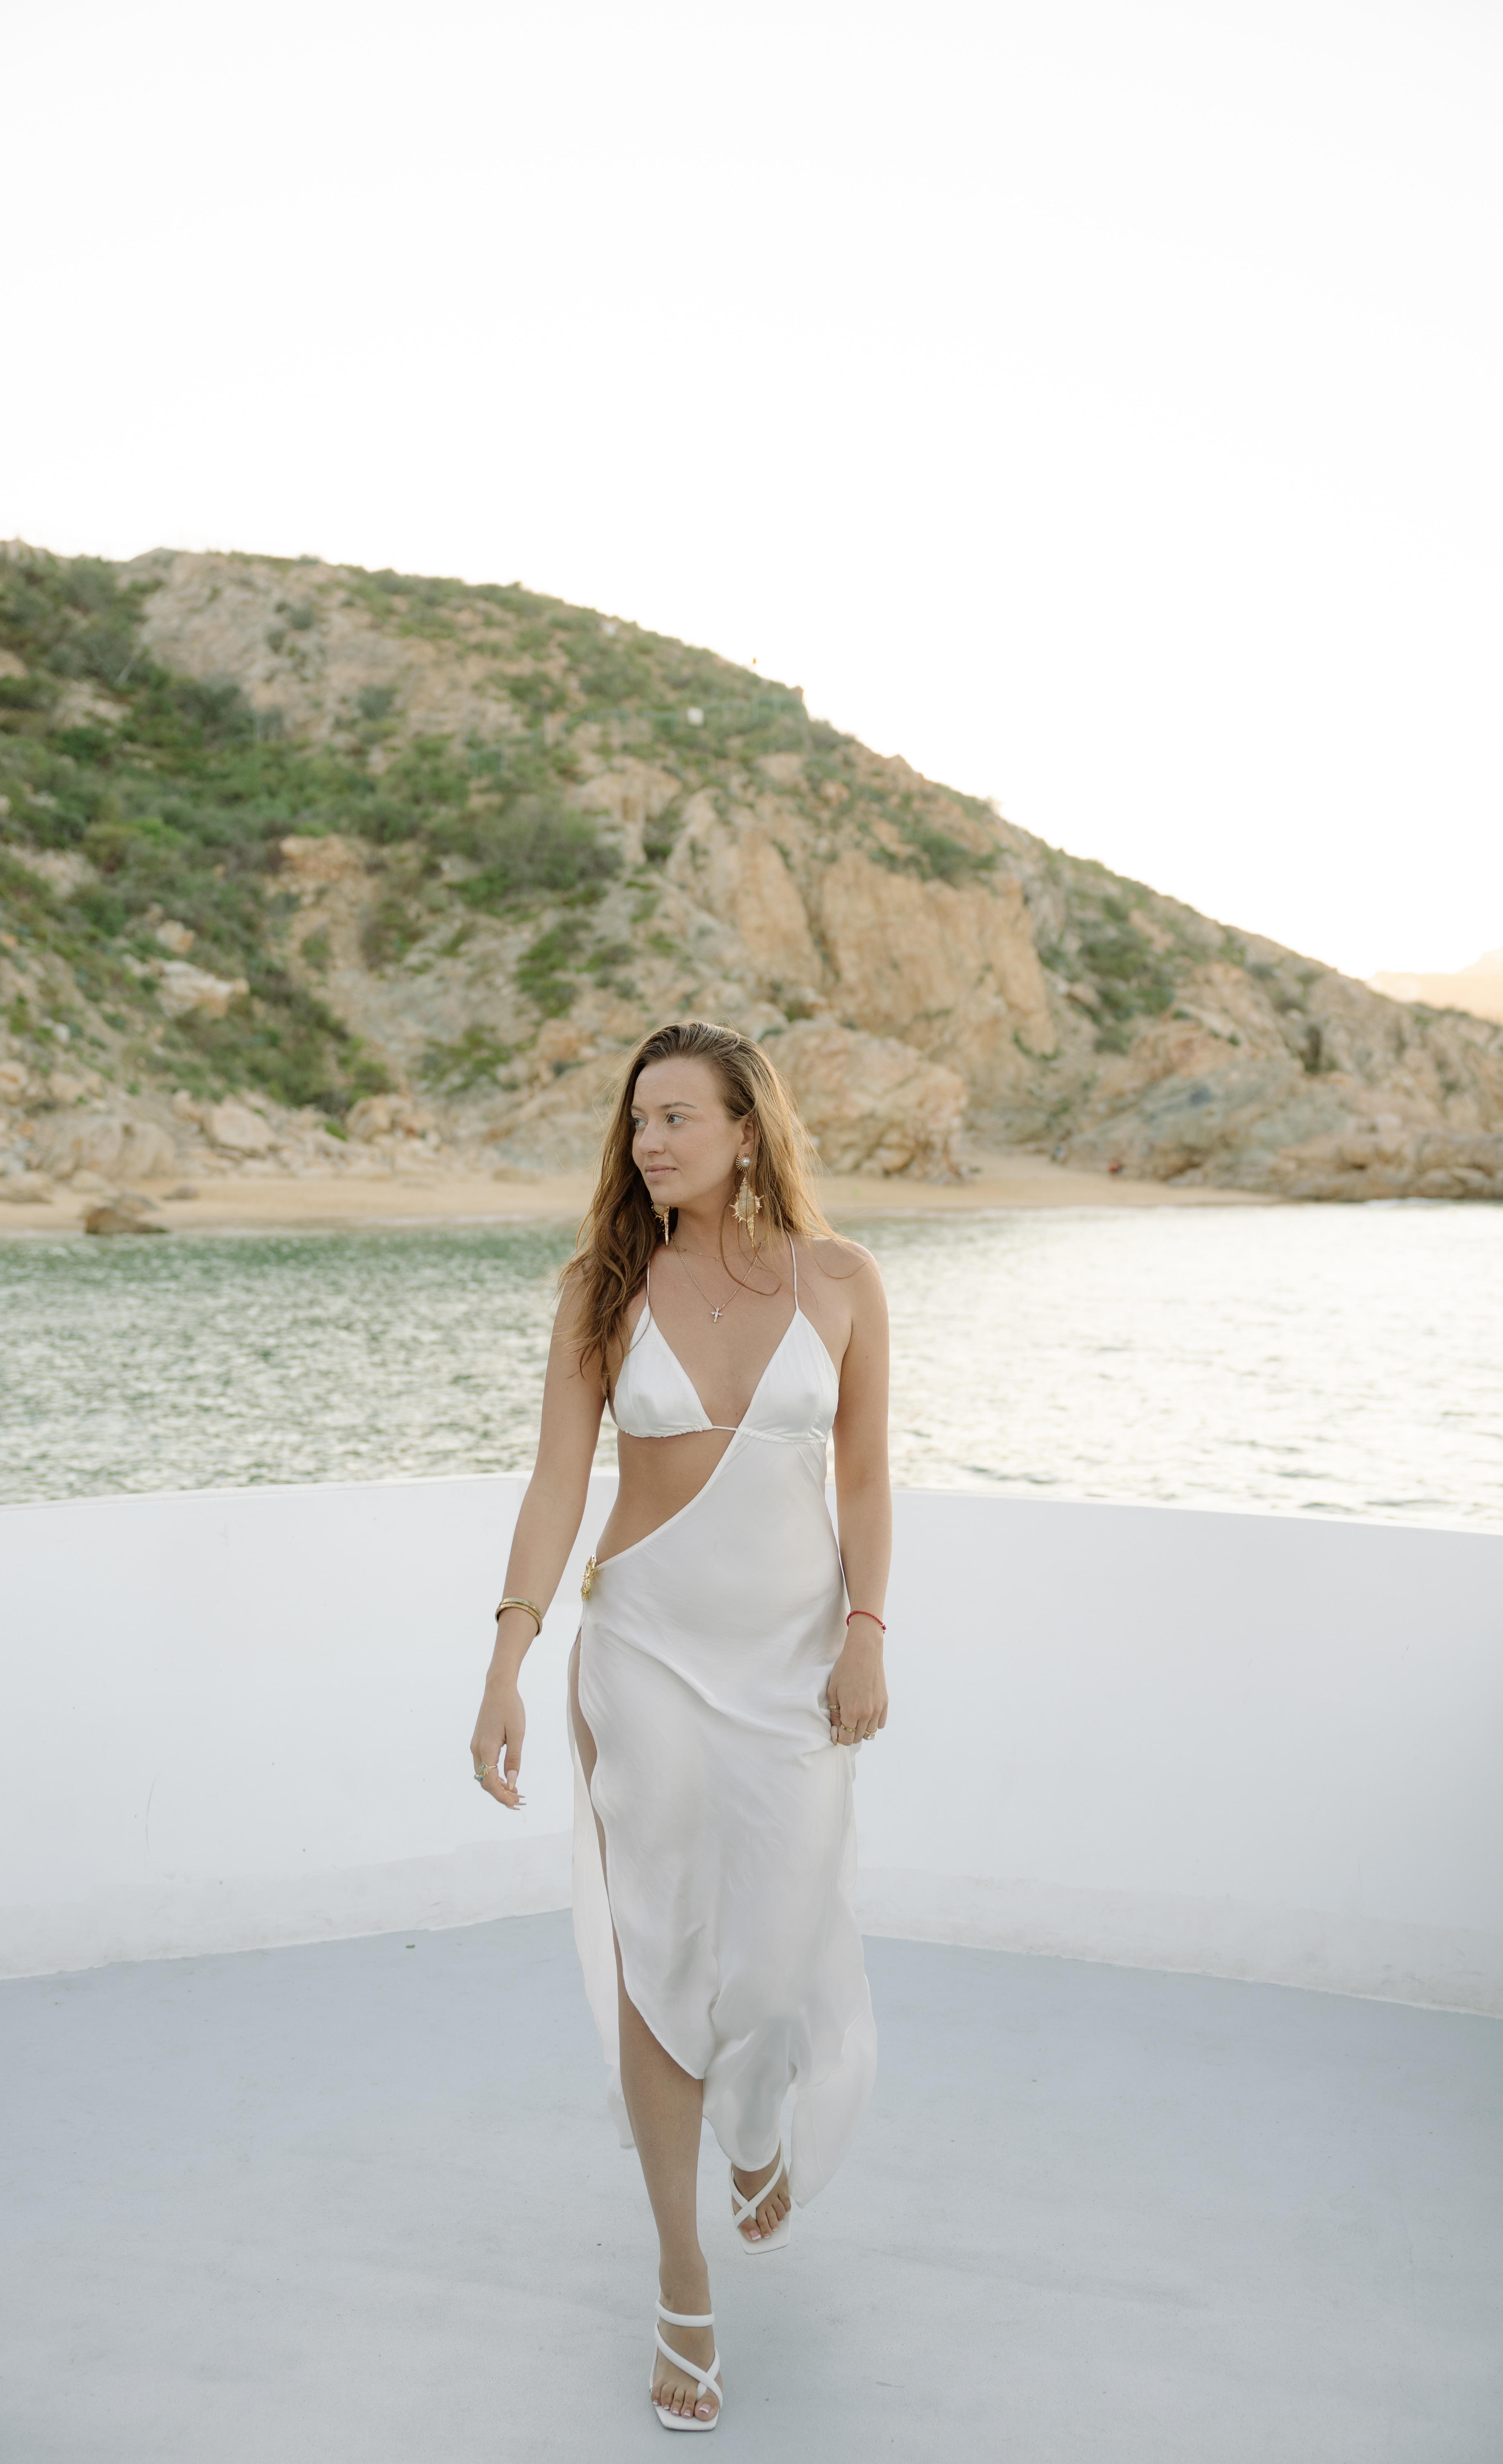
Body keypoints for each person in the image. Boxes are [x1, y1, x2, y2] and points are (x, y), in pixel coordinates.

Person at [470, 1017, 891, 2432]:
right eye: (638, 1121)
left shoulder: (844, 1281)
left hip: (795, 1666)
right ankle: (680, 2275)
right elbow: (556, 1482)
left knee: (770, 1963)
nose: (649, 1142)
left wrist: (868, 1629)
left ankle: (756, 2117)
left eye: (677, 1118)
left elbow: (867, 1481)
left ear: (746, 1131)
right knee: (661, 1959)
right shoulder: (603, 1288)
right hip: (643, 1652)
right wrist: (509, 1658)